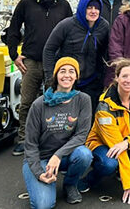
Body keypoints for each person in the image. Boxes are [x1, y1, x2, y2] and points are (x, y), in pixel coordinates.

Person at [5, 0, 72, 156]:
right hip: (31, 61)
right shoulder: (26, 3)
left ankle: (55, 141)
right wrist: (13, 54)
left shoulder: (64, 6)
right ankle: (24, 139)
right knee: (27, 102)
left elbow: (70, 33)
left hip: (56, 63)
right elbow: (14, 29)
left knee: (57, 102)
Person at [81, 58, 130, 205]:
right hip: (103, 144)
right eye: (124, 76)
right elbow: (115, 144)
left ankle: (128, 171)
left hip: (126, 142)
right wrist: (129, 183)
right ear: (117, 78)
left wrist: (128, 142)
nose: (128, 80)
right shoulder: (105, 106)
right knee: (109, 163)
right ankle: (89, 179)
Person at [22, 57, 93, 208]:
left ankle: (70, 184)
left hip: (65, 156)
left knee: (84, 154)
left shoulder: (83, 100)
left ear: (76, 77)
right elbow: (30, 144)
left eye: (71, 71)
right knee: (43, 205)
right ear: (56, 76)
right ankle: (46, 182)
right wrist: (38, 172)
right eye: (62, 71)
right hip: (40, 158)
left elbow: (81, 135)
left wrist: (57, 155)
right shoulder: (39, 104)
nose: (67, 75)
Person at [43, 0, 109, 112]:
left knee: (88, 115)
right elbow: (49, 49)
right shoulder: (67, 25)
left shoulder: (103, 26)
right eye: (89, 7)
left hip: (92, 81)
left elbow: (107, 52)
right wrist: (50, 77)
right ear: (82, 8)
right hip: (68, 81)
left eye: (96, 8)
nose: (93, 11)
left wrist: (105, 77)